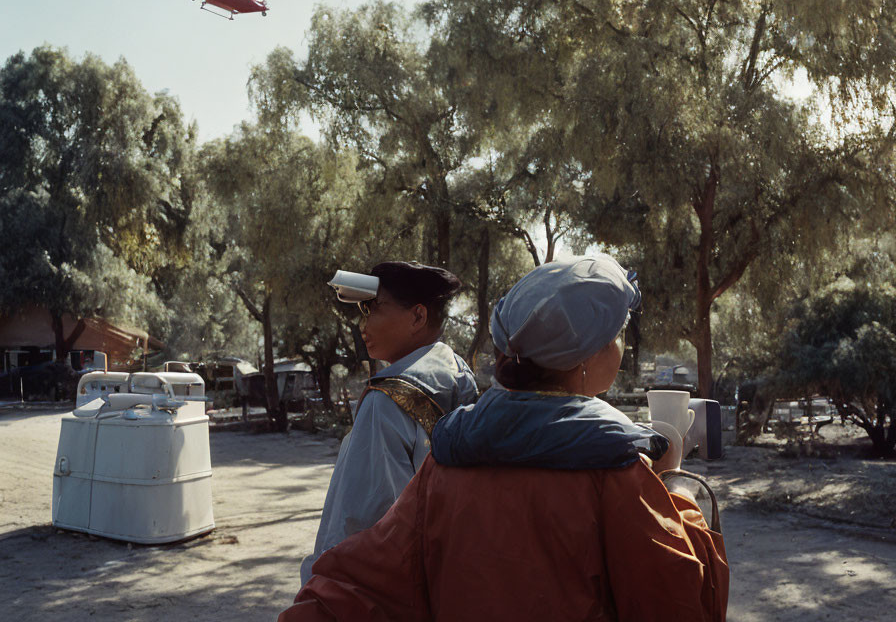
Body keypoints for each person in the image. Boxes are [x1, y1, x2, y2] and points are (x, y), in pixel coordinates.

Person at [282, 255, 729, 621]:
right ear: (585, 355)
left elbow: (362, 581)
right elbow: (681, 599)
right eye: (615, 335)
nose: (621, 347)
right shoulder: (615, 471)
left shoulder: (448, 460)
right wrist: (677, 489)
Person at [299, 261, 479, 585]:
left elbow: (363, 523)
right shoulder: (458, 375)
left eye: (375, 309)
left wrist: (324, 585)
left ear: (417, 316)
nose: (364, 324)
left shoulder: (386, 400)